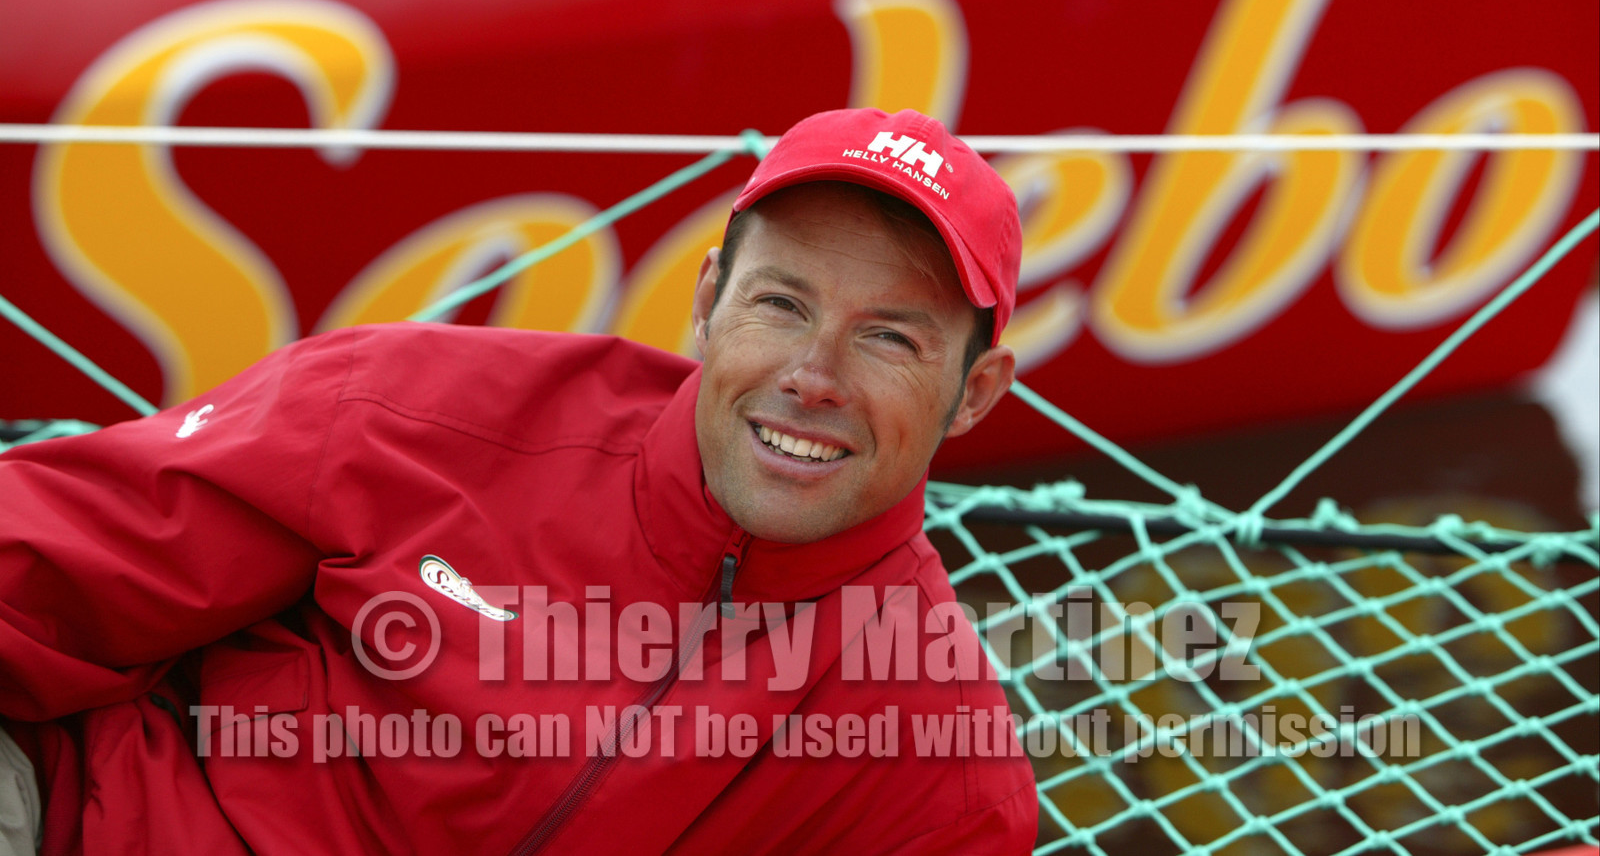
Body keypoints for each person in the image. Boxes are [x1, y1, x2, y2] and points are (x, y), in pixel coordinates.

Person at [0, 107, 1038, 854]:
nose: (811, 378)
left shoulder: (939, 781)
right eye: (781, 303)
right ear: (709, 299)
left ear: (977, 390)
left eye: (889, 338)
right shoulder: (412, 405)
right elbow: (41, 564)